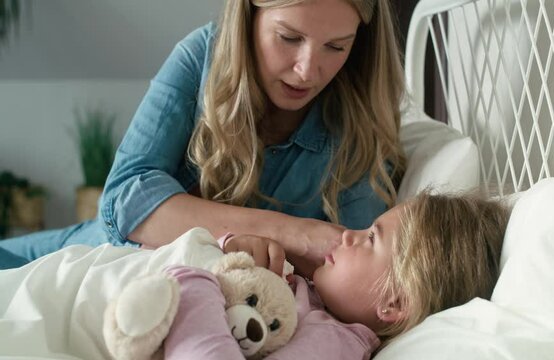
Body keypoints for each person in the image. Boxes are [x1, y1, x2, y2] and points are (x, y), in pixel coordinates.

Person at [0, 0, 406, 275]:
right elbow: (125, 197)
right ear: (248, 17)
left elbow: (356, 276)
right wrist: (294, 233)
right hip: (85, 254)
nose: (307, 71)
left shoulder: (361, 129)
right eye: (289, 38)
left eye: (336, 47)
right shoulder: (202, 56)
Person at [0, 190, 511, 359]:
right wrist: (225, 252)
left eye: (372, 238)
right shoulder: (316, 298)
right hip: (82, 278)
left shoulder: (335, 344)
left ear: (394, 305)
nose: (350, 235)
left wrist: (194, 285)